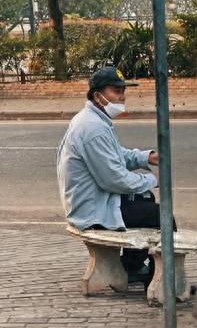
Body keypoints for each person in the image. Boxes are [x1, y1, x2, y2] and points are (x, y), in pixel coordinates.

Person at [57, 65, 167, 284]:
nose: (122, 96)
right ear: (99, 96)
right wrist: (152, 180)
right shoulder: (92, 128)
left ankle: (132, 267)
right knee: (163, 217)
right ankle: (161, 280)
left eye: (123, 90)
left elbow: (117, 155)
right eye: (116, 91)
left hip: (96, 200)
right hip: (93, 210)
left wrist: (145, 157)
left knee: (146, 200)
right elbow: (114, 179)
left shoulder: (94, 119)